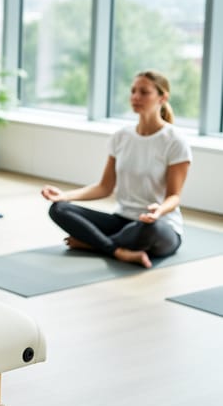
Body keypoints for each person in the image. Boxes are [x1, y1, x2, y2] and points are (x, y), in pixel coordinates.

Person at [41, 70, 192, 268]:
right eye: (133, 91)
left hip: (157, 225)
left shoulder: (175, 140)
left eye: (144, 92)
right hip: (121, 220)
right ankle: (118, 250)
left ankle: (95, 244)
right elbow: (105, 187)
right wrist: (65, 196)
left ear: (163, 97)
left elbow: (174, 197)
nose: (136, 97)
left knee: (148, 228)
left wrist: (158, 211)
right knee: (59, 209)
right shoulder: (121, 136)